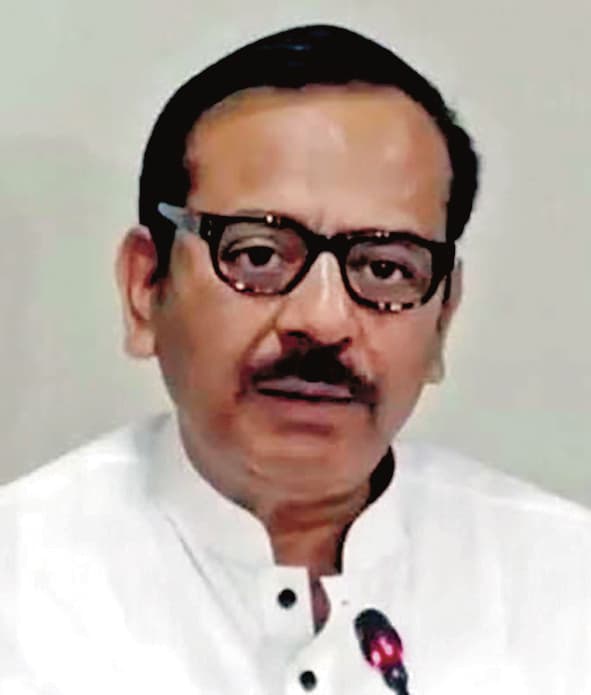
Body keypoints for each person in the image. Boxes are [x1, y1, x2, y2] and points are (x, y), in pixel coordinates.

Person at [1, 24, 589, 695]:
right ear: (145, 290)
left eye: (385, 268)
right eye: (257, 254)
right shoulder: (20, 588)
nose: (323, 320)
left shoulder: (565, 588)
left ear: (442, 318)